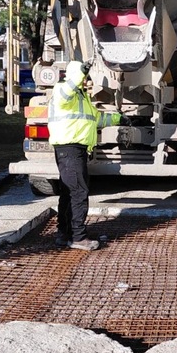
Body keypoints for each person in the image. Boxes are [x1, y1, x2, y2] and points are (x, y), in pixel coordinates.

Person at [47, 60, 121, 251]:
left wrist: (120, 118)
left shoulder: (82, 98)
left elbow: (97, 118)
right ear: (75, 75)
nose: (86, 80)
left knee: (69, 192)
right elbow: (65, 94)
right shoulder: (63, 90)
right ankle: (78, 237)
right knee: (79, 192)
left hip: (75, 151)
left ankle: (63, 234)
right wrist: (79, 73)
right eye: (84, 76)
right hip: (69, 149)